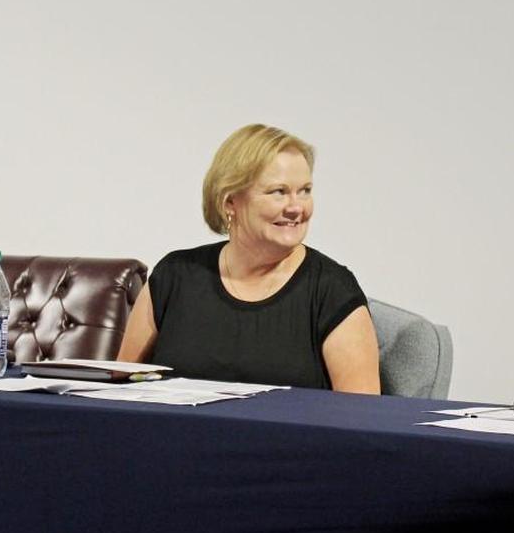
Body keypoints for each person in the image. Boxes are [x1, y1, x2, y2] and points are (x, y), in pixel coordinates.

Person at [117, 124, 380, 393]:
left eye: (305, 191)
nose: (296, 207)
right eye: (278, 191)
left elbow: (361, 421)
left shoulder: (332, 289)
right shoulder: (174, 276)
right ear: (230, 201)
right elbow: (118, 391)